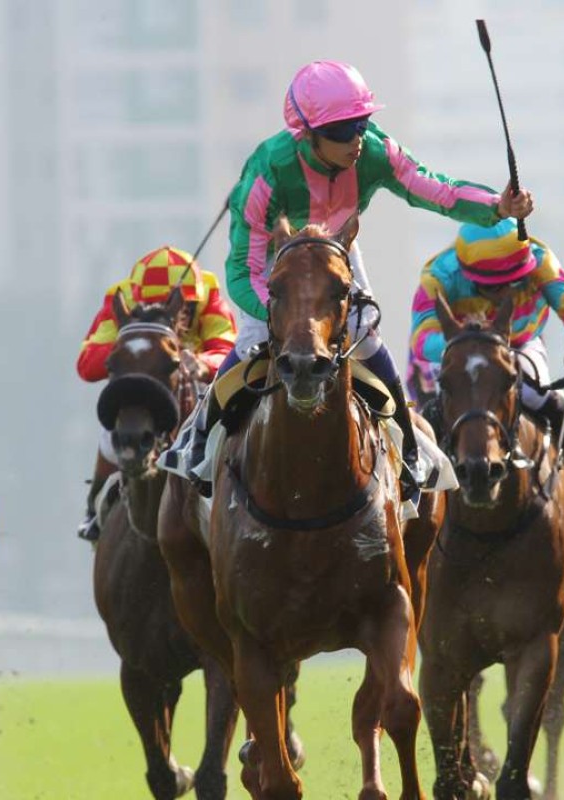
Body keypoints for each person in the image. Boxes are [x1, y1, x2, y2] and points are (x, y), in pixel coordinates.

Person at [187, 60, 535, 501]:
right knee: (251, 342)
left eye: (361, 124)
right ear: (308, 132)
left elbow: (437, 190)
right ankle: (196, 445)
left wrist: (498, 206)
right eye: (342, 130)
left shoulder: (374, 151)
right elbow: (241, 270)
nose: (355, 139)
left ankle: (409, 450)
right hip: (277, 269)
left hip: (336, 254)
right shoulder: (268, 170)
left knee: (367, 343)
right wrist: (282, 313)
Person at [407, 219, 564, 517]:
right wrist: (472, 346)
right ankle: (412, 477)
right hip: (463, 349)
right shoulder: (439, 275)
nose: (503, 290)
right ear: (467, 273)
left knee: (534, 394)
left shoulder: (540, 261)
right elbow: (421, 339)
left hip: (521, 342)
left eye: (512, 282)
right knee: (441, 406)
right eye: (491, 286)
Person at [75, 246, 235, 541]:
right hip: (139, 385)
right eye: (152, 304)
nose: (170, 314)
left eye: (183, 310)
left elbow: (226, 350)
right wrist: (137, 349)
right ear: (137, 298)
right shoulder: (118, 299)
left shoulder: (209, 294)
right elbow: (87, 365)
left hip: (191, 384)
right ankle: (95, 508)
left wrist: (200, 362)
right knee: (112, 435)